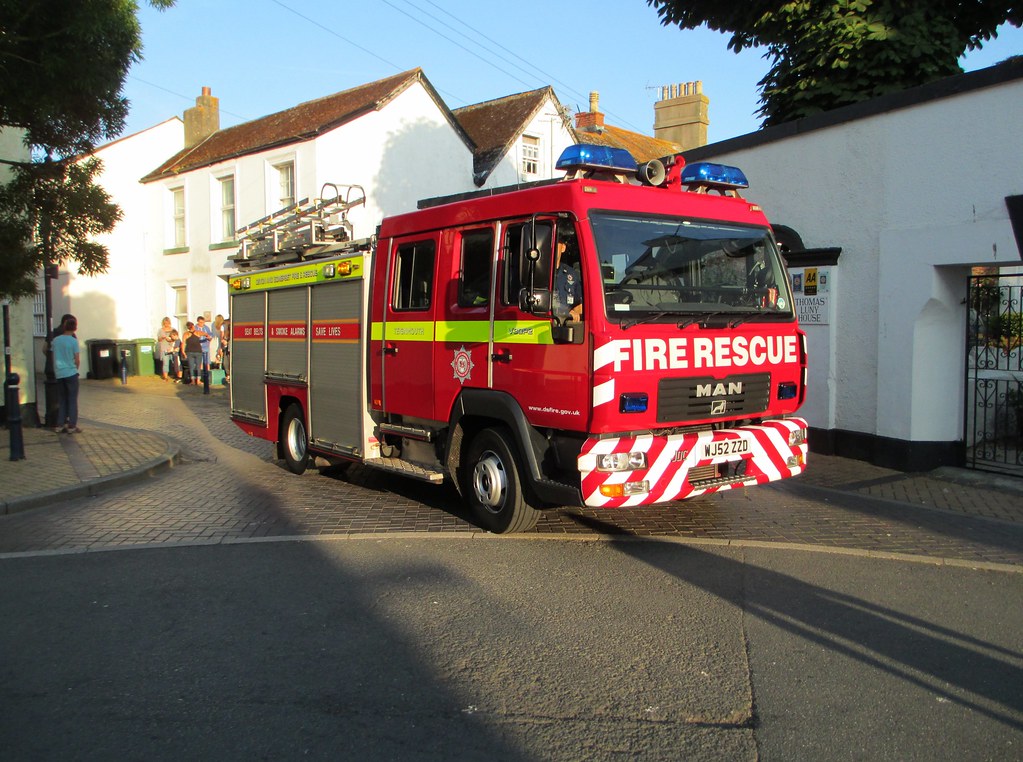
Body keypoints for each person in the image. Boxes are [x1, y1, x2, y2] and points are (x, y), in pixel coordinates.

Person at [52, 316, 81, 434]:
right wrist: (75, 369)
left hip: (59, 373)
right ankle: (72, 425)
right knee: (72, 399)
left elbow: (48, 351)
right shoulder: (74, 341)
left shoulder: (56, 340)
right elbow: (77, 359)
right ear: (75, 328)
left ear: (64, 326)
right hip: (71, 372)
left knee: (62, 399)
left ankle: (59, 424)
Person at [552, 227, 583, 323]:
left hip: (567, 327)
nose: (553, 246)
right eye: (550, 243)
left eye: (556, 243)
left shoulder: (571, 273)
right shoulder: (537, 272)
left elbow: (579, 305)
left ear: (563, 248)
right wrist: (565, 312)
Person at [195, 315, 215, 383]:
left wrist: (210, 338)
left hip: (206, 346)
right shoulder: (195, 328)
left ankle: (208, 378)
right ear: (198, 322)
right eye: (200, 322)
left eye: (203, 322)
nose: (202, 324)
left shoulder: (206, 327)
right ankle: (199, 379)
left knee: (207, 362)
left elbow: (210, 335)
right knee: (199, 363)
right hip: (198, 347)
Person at [156, 316, 175, 381]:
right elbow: (159, 339)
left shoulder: (173, 329)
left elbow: (176, 338)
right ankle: (165, 377)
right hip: (164, 348)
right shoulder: (161, 330)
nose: (166, 324)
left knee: (174, 362)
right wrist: (163, 337)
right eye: (165, 323)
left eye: (167, 323)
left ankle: (175, 375)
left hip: (172, 348)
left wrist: (171, 339)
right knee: (165, 363)